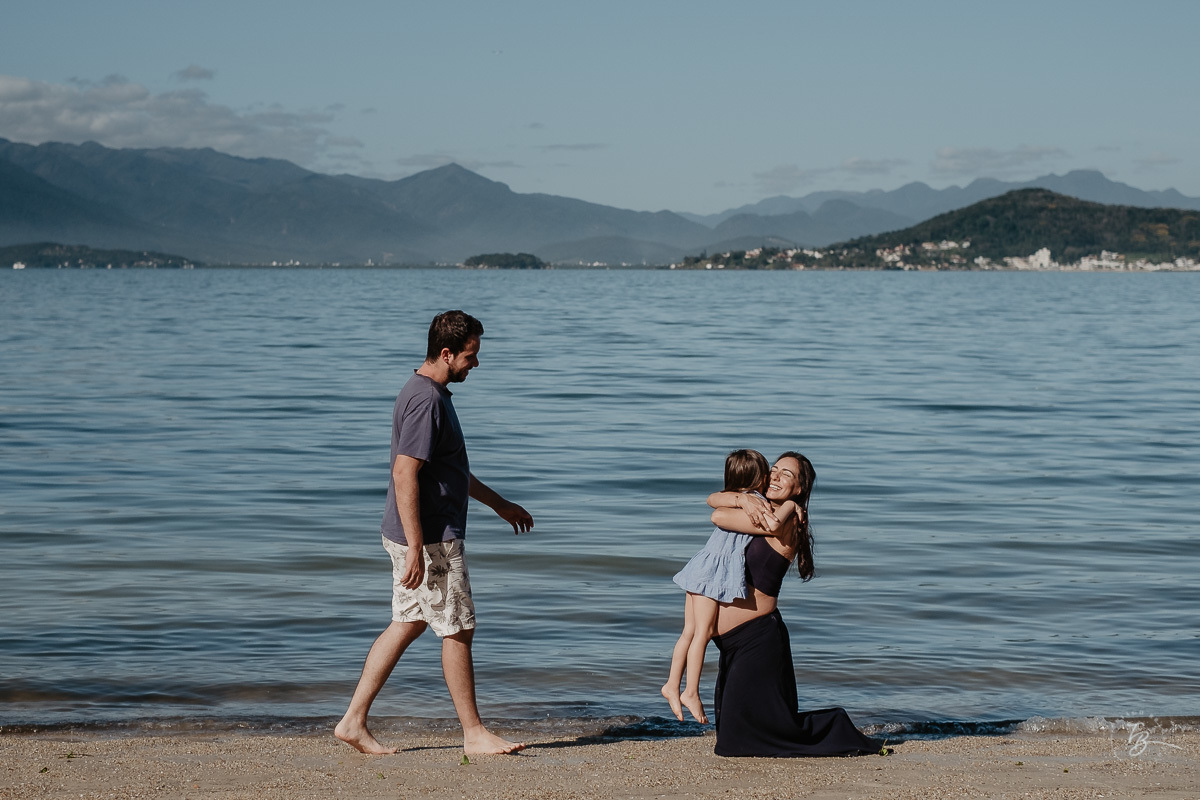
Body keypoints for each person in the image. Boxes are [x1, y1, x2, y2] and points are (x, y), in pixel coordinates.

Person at [335, 310, 534, 756]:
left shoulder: (426, 392)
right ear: (446, 353)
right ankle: (474, 733)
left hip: (416, 534)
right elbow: (405, 473)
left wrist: (499, 503)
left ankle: (352, 721)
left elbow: (450, 471)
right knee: (457, 628)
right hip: (430, 538)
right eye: (470, 356)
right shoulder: (427, 400)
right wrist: (415, 549)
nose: (475, 365)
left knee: (409, 621)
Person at [707, 452, 886, 757]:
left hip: (757, 639)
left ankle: (836, 724)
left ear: (800, 488)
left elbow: (717, 515)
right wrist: (744, 499)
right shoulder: (761, 510)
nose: (775, 477)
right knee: (733, 733)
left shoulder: (785, 520)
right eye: (773, 471)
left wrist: (771, 504)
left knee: (737, 744)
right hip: (734, 643)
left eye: (786, 475)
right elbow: (714, 498)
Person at [662, 449, 801, 724]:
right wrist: (791, 505)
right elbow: (769, 524)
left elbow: (714, 500)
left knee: (689, 632)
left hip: (700, 567)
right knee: (701, 632)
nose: (773, 477)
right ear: (761, 477)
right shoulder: (757, 503)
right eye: (771, 472)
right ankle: (689, 691)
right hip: (712, 573)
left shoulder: (738, 500)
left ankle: (671, 684)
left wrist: (741, 498)